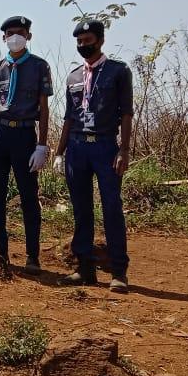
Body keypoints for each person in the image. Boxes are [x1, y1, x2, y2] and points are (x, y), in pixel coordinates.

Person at [52, 19, 134, 292]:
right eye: (79, 42)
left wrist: (124, 149)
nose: (83, 46)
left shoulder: (118, 72)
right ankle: (84, 268)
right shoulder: (73, 76)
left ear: (100, 40)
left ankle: (119, 271)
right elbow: (67, 117)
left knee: (111, 206)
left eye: (88, 41)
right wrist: (59, 152)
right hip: (77, 147)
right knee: (81, 208)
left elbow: (126, 112)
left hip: (105, 146)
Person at [0, 16, 53, 275]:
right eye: (10, 33)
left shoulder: (39, 67)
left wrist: (42, 146)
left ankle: (32, 255)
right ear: (3, 38)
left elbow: (44, 109)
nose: (15, 37)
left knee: (28, 197)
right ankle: (0, 253)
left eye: (20, 33)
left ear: (29, 36)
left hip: (25, 136)